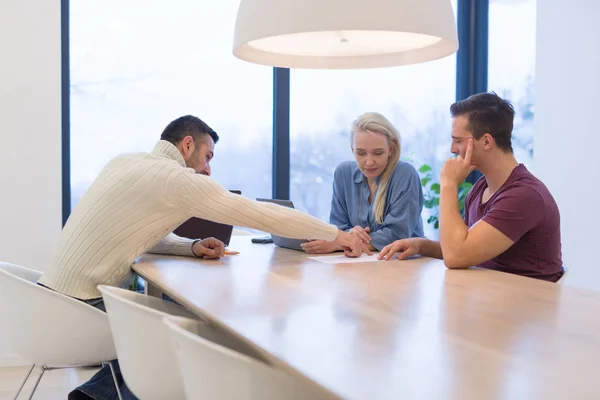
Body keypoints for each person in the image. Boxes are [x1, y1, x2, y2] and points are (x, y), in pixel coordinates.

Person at [38, 115, 369, 400]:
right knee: (189, 326)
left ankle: (96, 394)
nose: (208, 169)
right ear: (186, 146)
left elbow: (137, 234)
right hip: (82, 308)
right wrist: (338, 235)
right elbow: (261, 215)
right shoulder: (177, 179)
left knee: (172, 317)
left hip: (49, 299)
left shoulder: (125, 162)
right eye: (208, 156)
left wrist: (191, 246)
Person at [378, 92, 563, 282]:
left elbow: (456, 256)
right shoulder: (480, 189)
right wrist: (420, 245)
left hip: (530, 305)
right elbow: (463, 246)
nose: (452, 149)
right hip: (491, 297)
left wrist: (448, 184)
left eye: (458, 140)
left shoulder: (524, 196)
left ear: (486, 141)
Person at [302, 112, 424, 254]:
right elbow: (338, 228)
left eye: (378, 153)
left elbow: (396, 235)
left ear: (390, 150)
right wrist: (350, 234)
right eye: (360, 153)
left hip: (404, 264)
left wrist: (343, 243)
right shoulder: (343, 173)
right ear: (352, 149)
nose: (369, 162)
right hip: (360, 265)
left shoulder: (405, 174)